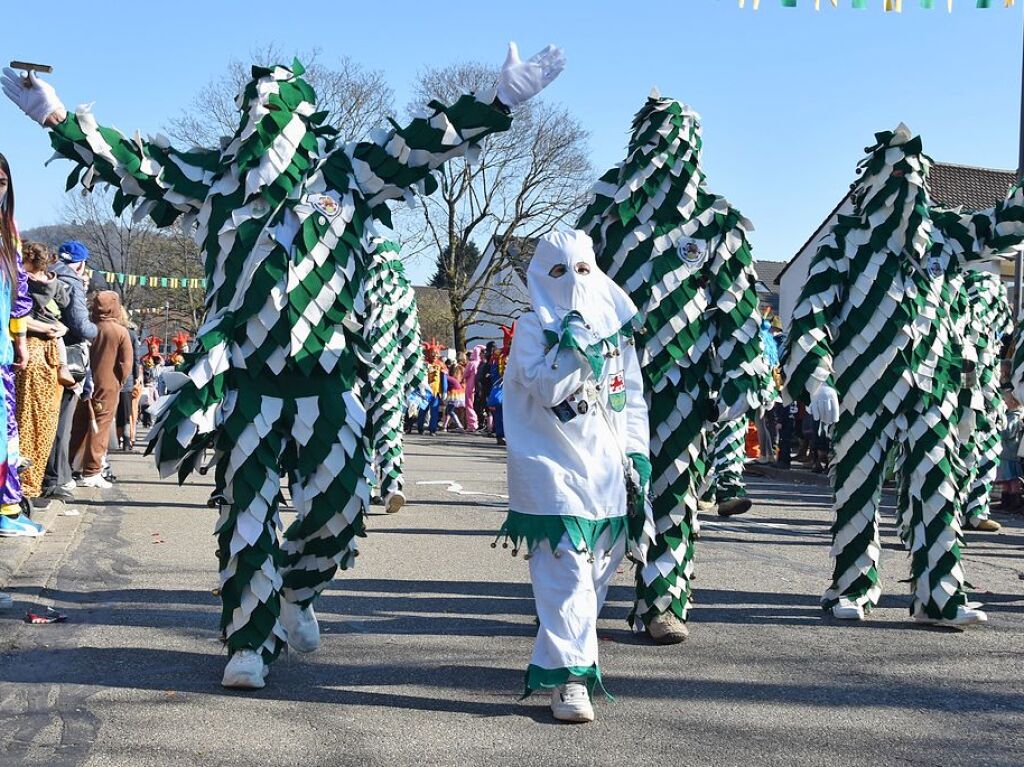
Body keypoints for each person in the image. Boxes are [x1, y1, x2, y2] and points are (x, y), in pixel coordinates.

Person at [2, 45, 565, 688]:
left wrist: (497, 102)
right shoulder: (214, 179)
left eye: (282, 106)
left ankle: (296, 591)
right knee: (247, 517)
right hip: (246, 383)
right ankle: (249, 642)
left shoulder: (348, 173)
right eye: (257, 106)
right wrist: (55, 119)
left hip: (327, 384)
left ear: (306, 116)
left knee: (342, 508)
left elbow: (419, 143)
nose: (268, 117)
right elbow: (139, 166)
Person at [500, 230, 650, 724]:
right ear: (542, 276)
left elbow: (629, 398)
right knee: (565, 577)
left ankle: (559, 660)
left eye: (583, 270)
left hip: (606, 476)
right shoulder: (529, 330)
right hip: (551, 474)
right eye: (560, 272)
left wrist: (637, 454)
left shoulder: (616, 334)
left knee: (592, 582)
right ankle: (572, 679)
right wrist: (575, 341)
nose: (574, 282)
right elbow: (549, 387)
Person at [0, 152, 38, 539]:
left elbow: (19, 293)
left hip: (1, 353)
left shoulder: (8, 231)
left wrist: (20, 339)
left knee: (4, 430)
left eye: (1, 182)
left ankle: (7, 507)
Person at [40, 240, 96, 501]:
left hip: (42, 352)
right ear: (82, 263)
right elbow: (81, 325)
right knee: (63, 421)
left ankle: (53, 474)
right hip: (67, 356)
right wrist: (99, 330)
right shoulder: (72, 281)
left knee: (49, 417)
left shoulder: (47, 275)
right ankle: (56, 477)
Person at [15, 241, 70, 501]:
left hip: (29, 347)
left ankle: (21, 480)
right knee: (44, 420)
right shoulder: (54, 282)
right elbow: (67, 308)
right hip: (50, 348)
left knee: (24, 417)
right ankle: (32, 480)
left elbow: (18, 315)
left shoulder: (18, 282)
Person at [68, 291, 132, 488]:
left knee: (78, 426)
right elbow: (126, 363)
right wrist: (119, 382)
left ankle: (68, 466)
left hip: (81, 383)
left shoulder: (87, 328)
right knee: (100, 427)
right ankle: (92, 470)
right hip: (108, 385)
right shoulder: (120, 332)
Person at [115, 307, 141, 451]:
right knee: (126, 410)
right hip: (127, 376)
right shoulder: (131, 333)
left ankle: (116, 438)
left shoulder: (109, 330)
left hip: (111, 376)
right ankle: (125, 439)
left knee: (112, 409)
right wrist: (136, 376)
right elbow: (136, 357)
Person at [463, 345, 483, 432]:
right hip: (479, 387)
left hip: (470, 387)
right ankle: (480, 423)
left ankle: (472, 424)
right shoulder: (481, 363)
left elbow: (465, 374)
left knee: (469, 405)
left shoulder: (471, 363)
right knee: (478, 406)